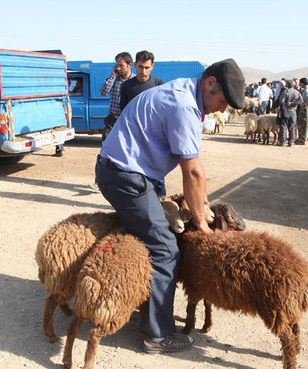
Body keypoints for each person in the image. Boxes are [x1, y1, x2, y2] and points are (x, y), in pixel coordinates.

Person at [95, 59, 245, 353]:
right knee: (165, 248)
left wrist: (202, 203)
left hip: (134, 171)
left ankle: (141, 302)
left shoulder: (183, 94)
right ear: (210, 83)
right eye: (222, 101)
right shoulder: (184, 107)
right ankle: (157, 335)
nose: (222, 109)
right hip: (125, 175)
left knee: (157, 234)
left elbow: (194, 167)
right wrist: (201, 221)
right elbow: (192, 171)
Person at [119, 50, 166, 196]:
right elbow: (124, 112)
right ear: (135, 66)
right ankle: (141, 199)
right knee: (136, 169)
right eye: (140, 67)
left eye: (147, 67)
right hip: (135, 136)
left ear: (152, 66)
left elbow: (165, 110)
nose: (143, 71)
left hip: (155, 136)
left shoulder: (159, 84)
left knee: (158, 168)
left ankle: (160, 199)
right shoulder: (127, 87)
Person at [100, 52, 135, 141]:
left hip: (128, 120)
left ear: (129, 65)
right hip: (112, 120)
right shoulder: (114, 79)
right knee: (107, 146)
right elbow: (103, 92)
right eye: (117, 65)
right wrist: (113, 76)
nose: (118, 68)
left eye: (121, 65)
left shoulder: (135, 81)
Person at [276, 79, 303, 147]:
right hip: (293, 111)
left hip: (285, 110)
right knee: (292, 127)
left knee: (283, 126)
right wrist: (293, 103)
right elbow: (301, 101)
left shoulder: (285, 91)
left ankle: (282, 141)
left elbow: (281, 101)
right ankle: (291, 142)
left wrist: (287, 103)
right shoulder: (297, 92)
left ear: (287, 85)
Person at [296, 77, 308, 145]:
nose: (299, 84)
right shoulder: (304, 90)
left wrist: (306, 104)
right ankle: (300, 138)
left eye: (300, 83)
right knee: (301, 124)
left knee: (305, 124)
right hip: (303, 108)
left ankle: (303, 140)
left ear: (302, 83)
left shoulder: (307, 90)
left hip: (305, 109)